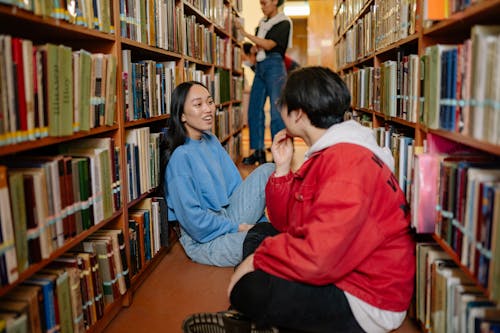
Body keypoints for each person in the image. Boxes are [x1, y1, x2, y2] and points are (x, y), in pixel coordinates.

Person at [225, 67, 416, 332]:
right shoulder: (332, 150)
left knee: (249, 289)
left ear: (299, 114)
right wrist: (281, 169)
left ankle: (260, 308)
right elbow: (287, 222)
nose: (279, 110)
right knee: (260, 231)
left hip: (365, 299)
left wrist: (256, 261)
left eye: (282, 104)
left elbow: (319, 259)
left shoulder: (345, 165)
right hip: (343, 266)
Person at [160, 81, 274, 267]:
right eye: (198, 105)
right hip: (205, 240)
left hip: (228, 216)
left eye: (210, 102)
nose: (208, 109)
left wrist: (256, 224)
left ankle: (260, 232)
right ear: (181, 115)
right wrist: (237, 228)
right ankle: (257, 235)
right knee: (269, 244)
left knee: (268, 169)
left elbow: (236, 188)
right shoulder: (180, 158)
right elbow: (194, 222)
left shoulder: (210, 139)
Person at [235, 0, 292, 166]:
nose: (262, 6)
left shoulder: (283, 22)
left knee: (276, 111)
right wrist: (254, 48)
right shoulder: (262, 23)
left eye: (264, 2)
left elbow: (269, 44)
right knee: (254, 108)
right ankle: (258, 151)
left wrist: (244, 33)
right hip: (260, 66)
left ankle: (278, 153)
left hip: (274, 66)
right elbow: (261, 46)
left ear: (275, 2)